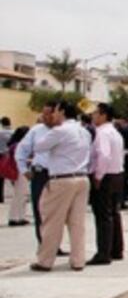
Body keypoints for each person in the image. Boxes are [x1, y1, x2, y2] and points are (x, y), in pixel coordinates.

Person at [31, 100, 91, 272]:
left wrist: (45, 127)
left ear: (62, 112)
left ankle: (45, 260)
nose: (53, 115)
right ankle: (78, 260)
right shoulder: (84, 131)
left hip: (62, 179)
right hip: (81, 177)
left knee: (51, 221)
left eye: (56, 111)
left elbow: (39, 147)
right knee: (77, 223)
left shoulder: (60, 131)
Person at [15, 103, 60, 247]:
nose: (44, 117)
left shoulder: (63, 131)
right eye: (43, 113)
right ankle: (44, 244)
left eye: (48, 113)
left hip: (59, 175)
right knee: (40, 210)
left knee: (57, 212)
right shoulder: (36, 130)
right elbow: (22, 149)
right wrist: (23, 169)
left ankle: (55, 244)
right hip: (41, 173)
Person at [88, 103, 124, 265]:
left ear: (103, 115)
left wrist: (98, 176)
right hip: (117, 174)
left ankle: (104, 252)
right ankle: (116, 249)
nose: (93, 116)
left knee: (103, 216)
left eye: (95, 113)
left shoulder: (102, 133)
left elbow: (104, 155)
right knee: (114, 214)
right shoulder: (115, 132)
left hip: (106, 176)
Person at [3, 126, 31, 226]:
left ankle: (18, 216)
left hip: (17, 171)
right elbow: (19, 159)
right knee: (20, 195)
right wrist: (30, 161)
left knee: (19, 195)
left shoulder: (14, 145)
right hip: (20, 171)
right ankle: (16, 217)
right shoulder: (19, 146)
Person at [0, 116, 12, 203]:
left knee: (1, 177)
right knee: (13, 176)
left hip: (1, 155)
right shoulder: (14, 132)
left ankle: (1, 197)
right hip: (11, 155)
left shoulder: (0, 133)